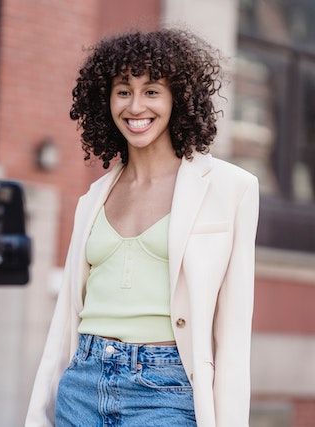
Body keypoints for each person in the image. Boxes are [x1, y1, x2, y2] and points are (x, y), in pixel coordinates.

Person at [25, 28, 259, 427]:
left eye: (151, 91)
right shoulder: (93, 198)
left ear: (177, 98)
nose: (135, 106)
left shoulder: (230, 189)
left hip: (164, 391)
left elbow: (233, 339)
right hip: (83, 382)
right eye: (123, 91)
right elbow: (64, 322)